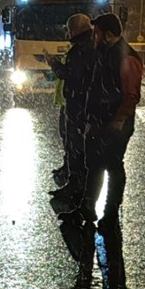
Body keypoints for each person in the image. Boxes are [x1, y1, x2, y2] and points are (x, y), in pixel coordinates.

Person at [60, 13, 143, 238]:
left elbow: (130, 95)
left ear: (107, 34)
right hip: (98, 122)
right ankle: (87, 210)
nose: (93, 36)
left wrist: (117, 122)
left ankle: (109, 215)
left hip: (115, 125)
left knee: (113, 166)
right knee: (95, 164)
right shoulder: (103, 53)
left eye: (96, 33)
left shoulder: (126, 58)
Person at [46, 13, 96, 204]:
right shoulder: (92, 46)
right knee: (78, 147)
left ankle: (77, 189)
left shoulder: (80, 50)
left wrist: (53, 63)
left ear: (75, 30)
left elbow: (69, 74)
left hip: (78, 106)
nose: (67, 33)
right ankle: (80, 187)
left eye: (68, 29)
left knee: (75, 147)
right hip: (85, 105)